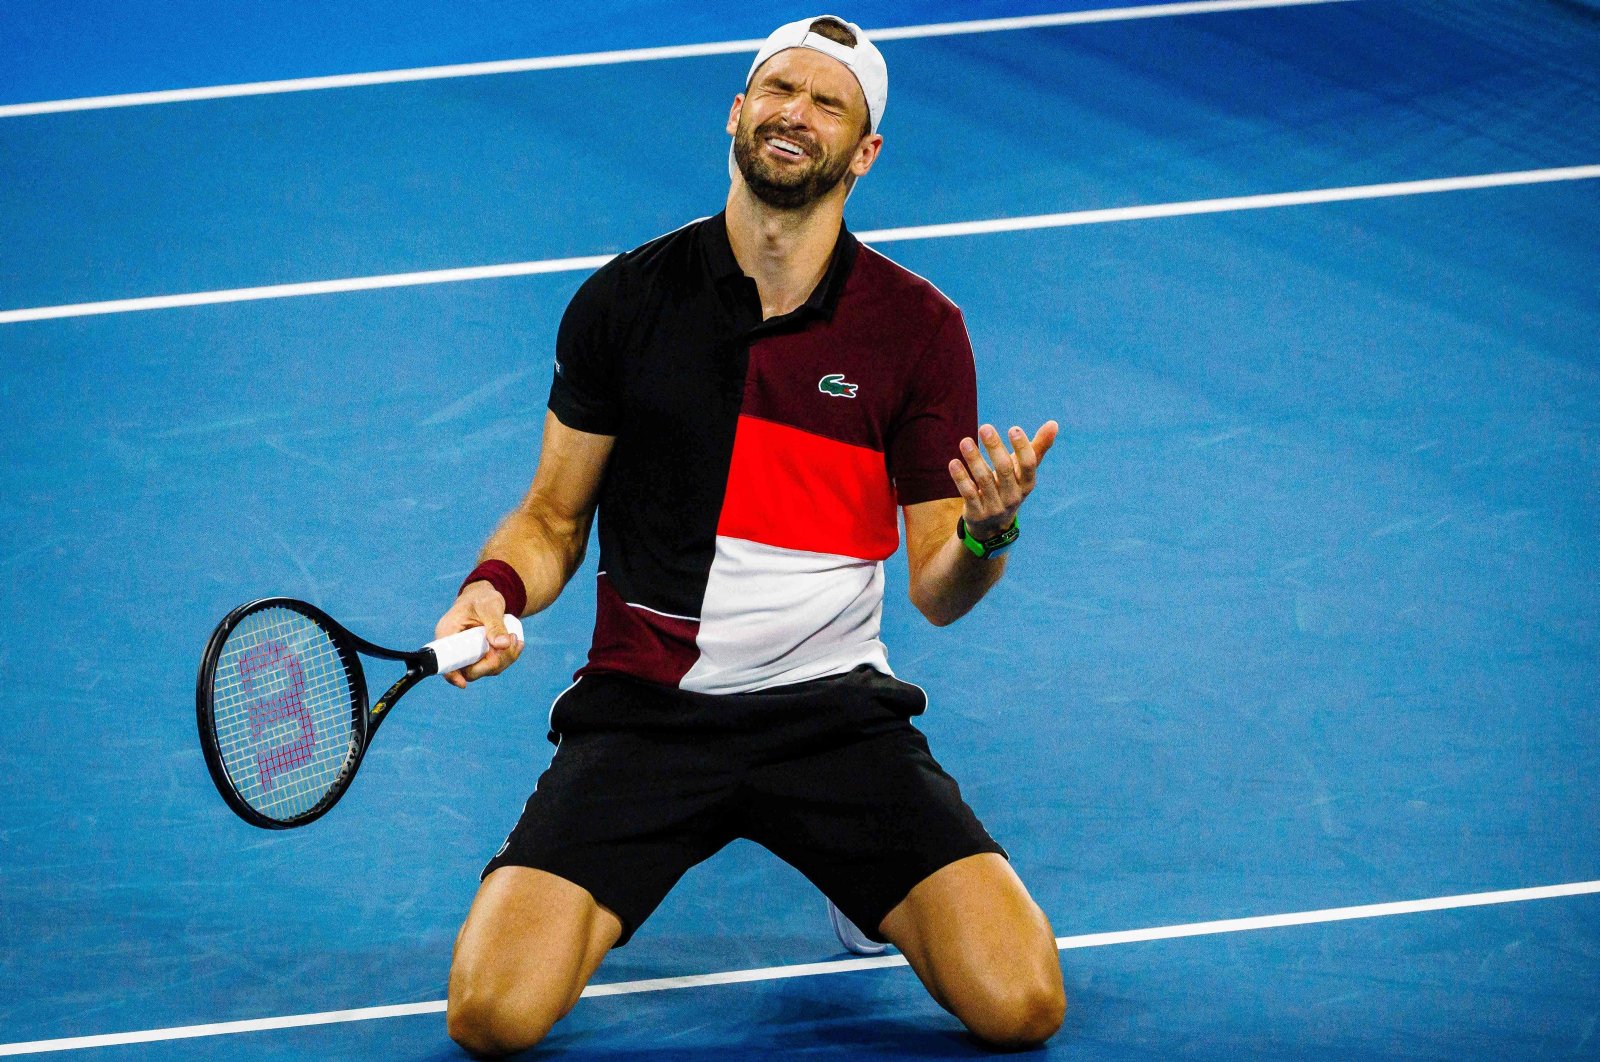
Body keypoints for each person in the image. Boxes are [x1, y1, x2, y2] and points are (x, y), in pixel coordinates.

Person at [437, 15, 1065, 1057]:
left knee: (1021, 1006)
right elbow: (552, 517)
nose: (795, 113)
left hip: (829, 715)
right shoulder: (623, 302)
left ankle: (856, 877)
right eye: (779, 89)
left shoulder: (916, 330)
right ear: (737, 112)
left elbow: (937, 591)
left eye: (829, 103)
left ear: (863, 154)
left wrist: (990, 534)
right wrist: (494, 586)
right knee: (492, 1018)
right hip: (647, 714)